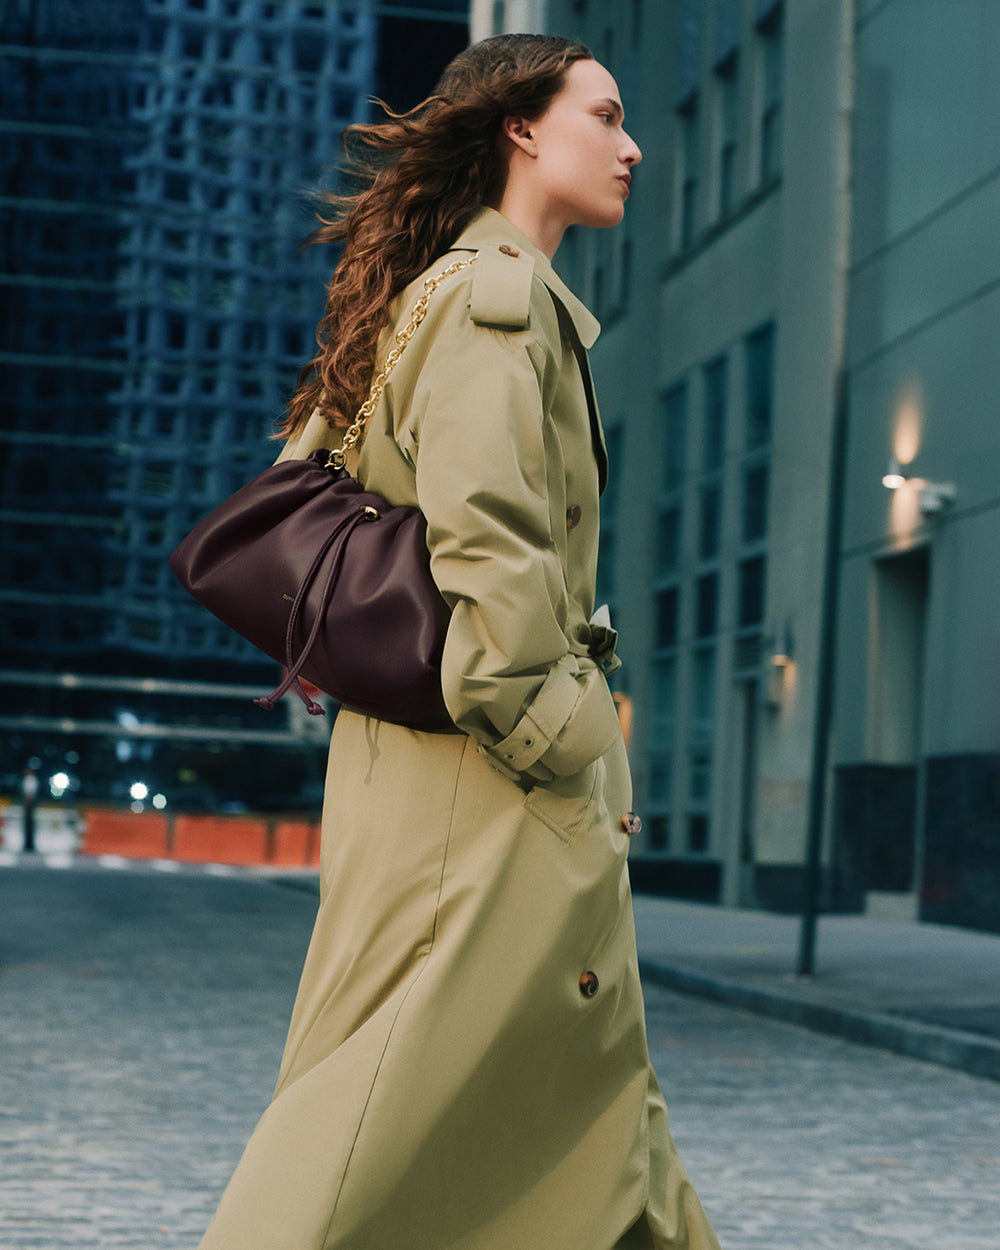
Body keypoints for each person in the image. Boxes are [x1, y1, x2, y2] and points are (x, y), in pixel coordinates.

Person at [197, 34, 722, 1250]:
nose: (631, 143)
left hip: (447, 787)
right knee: (367, 1120)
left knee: (596, 1116)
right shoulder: (496, 300)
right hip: (485, 801)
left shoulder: (427, 291)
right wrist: (569, 737)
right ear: (524, 130)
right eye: (605, 112)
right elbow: (489, 552)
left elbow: (324, 489)